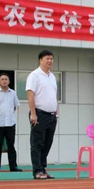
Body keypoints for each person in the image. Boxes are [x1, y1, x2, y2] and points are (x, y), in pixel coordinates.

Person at [26, 50, 58, 180]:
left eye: (51, 58)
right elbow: (30, 94)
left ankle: (43, 168)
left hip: (51, 115)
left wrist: (56, 110)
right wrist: (33, 113)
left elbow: (54, 94)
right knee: (37, 143)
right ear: (41, 60)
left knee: (47, 143)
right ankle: (37, 170)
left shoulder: (52, 76)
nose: (50, 61)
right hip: (39, 114)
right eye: (47, 59)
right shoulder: (34, 75)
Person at [0, 73, 21, 172]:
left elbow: (15, 106)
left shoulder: (13, 93)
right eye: (2, 79)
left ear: (9, 81)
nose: (4, 81)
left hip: (10, 123)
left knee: (11, 146)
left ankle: (13, 166)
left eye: (6, 79)